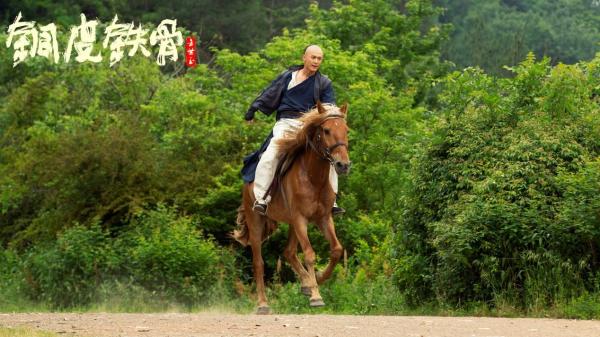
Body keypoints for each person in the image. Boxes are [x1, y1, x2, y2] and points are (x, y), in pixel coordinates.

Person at [244, 44, 344, 216]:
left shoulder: (323, 83)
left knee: (330, 156)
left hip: (307, 127)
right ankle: (261, 199)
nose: (316, 61)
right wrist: (253, 109)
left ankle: (332, 201)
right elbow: (270, 93)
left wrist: (335, 116)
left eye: (319, 58)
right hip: (285, 124)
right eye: (313, 57)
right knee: (270, 155)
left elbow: (329, 106)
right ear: (303, 58)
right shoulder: (287, 77)